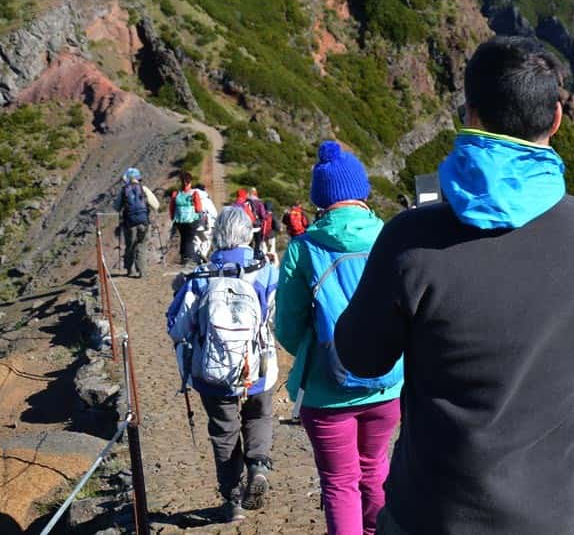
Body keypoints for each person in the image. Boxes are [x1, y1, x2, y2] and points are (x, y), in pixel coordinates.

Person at [336, 37, 574, 535]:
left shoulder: (411, 241)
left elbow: (360, 359)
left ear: (470, 115)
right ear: (558, 119)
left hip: (432, 515)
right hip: (553, 516)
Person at [275, 141, 403, 535]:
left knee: (339, 483)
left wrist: (321, 351)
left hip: (326, 391)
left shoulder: (303, 249)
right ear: (361, 190)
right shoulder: (392, 236)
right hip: (388, 384)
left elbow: (288, 328)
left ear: (320, 198)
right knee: (376, 470)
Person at [166, 206, 279, 523]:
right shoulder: (266, 271)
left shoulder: (199, 278)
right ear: (249, 234)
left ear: (217, 235)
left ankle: (232, 501)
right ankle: (258, 465)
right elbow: (275, 315)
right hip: (258, 366)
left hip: (212, 372)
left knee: (224, 431)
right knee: (258, 414)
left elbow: (177, 327)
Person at [113, 168, 159, 278]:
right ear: (138, 178)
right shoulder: (144, 189)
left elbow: (116, 207)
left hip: (130, 223)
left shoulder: (124, 190)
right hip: (144, 222)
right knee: (141, 245)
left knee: (130, 246)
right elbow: (156, 205)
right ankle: (142, 271)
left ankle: (130, 270)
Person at [169, 171, 203, 265]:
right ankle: (189, 258)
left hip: (179, 220)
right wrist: (200, 218)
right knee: (189, 239)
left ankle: (183, 258)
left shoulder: (176, 194)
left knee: (184, 238)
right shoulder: (194, 193)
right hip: (191, 220)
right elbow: (199, 208)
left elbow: (172, 208)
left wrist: (173, 218)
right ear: (190, 181)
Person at [192, 184, 219, 263]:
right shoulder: (205, 197)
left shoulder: (191, 196)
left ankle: (197, 258)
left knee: (196, 240)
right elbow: (213, 213)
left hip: (193, 223)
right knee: (207, 240)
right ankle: (202, 254)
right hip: (206, 223)